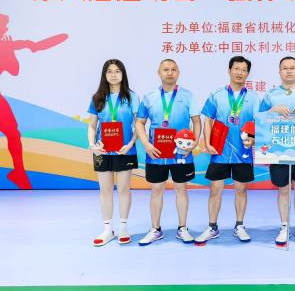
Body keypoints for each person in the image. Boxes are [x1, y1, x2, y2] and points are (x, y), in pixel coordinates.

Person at [135, 59, 201, 246]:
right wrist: (146, 144)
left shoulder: (188, 96)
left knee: (181, 189)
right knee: (156, 190)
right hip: (156, 153)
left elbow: (197, 121)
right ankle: (155, 229)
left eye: (173, 69)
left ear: (178, 72)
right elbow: (139, 122)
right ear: (159, 72)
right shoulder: (149, 97)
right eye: (166, 69)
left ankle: (183, 228)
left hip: (182, 153)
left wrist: (194, 143)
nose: (170, 72)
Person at [195, 56, 260, 244]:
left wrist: (253, 139)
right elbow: (208, 120)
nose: (240, 73)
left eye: (244, 70)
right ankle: (212, 227)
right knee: (215, 189)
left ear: (248, 73)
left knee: (241, 189)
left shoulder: (254, 98)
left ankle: (239, 225)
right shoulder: (216, 95)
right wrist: (207, 143)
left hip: (243, 152)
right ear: (229, 70)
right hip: (220, 151)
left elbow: (259, 123)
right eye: (236, 69)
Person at [0, 13, 68, 189]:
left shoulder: (5, 46)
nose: (6, 29)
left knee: (13, 134)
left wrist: (9, 52)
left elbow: (14, 70)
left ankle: (19, 173)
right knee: (13, 134)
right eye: (4, 26)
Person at [259, 57, 295, 245]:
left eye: (293, 68)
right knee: (283, 189)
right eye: (285, 68)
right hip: (279, 149)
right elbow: (259, 119)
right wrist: (272, 110)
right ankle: (284, 226)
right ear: (279, 72)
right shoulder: (270, 95)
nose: (289, 71)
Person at [87, 59, 139, 246]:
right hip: (103, 151)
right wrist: (92, 145)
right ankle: (107, 230)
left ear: (123, 74)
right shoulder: (97, 98)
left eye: (117, 71)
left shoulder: (131, 97)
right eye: (109, 71)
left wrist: (130, 144)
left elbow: (138, 125)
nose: (114, 74)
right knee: (105, 190)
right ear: (105, 75)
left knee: (124, 188)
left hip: (125, 151)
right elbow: (92, 126)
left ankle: (123, 228)